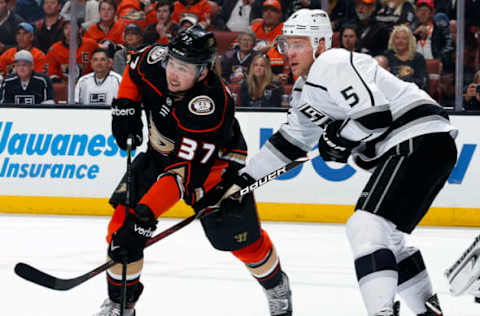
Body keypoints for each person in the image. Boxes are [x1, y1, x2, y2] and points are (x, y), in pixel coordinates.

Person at [211, 8, 457, 316]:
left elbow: (374, 116)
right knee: (387, 238)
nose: (290, 52)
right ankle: (427, 311)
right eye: (288, 44)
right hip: (428, 144)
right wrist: (240, 181)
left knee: (366, 227)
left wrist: (338, 138)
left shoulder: (333, 62)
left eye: (299, 44)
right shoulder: (304, 91)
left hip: (417, 137)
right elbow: (289, 143)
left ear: (321, 45)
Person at [92, 25, 293, 316]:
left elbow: (184, 173)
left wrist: (146, 214)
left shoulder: (211, 105)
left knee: (242, 243)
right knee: (121, 233)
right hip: (160, 156)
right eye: (172, 63)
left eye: (184, 68)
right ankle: (122, 304)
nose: (173, 73)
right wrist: (125, 105)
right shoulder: (155, 59)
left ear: (203, 71)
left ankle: (276, 286)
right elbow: (134, 68)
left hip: (212, 169)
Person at [47, 18, 99, 82]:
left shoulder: (91, 44)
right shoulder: (54, 49)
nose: (69, 31)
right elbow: (52, 74)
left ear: (80, 29)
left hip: (89, 85)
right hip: (65, 87)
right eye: (66, 28)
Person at [409, 0, 454, 73]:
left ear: (432, 13)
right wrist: (415, 33)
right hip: (415, 64)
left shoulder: (440, 27)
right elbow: (405, 44)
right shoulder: (412, 27)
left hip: (434, 62)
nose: (422, 13)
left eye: (425, 10)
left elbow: (449, 44)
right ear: (416, 13)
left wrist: (440, 59)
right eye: (420, 10)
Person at [385, 24, 428, 91]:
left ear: (410, 41)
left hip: (412, 92)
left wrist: (405, 78)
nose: (400, 41)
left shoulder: (418, 58)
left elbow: (422, 82)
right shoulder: (387, 56)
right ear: (393, 40)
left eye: (404, 38)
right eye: (397, 38)